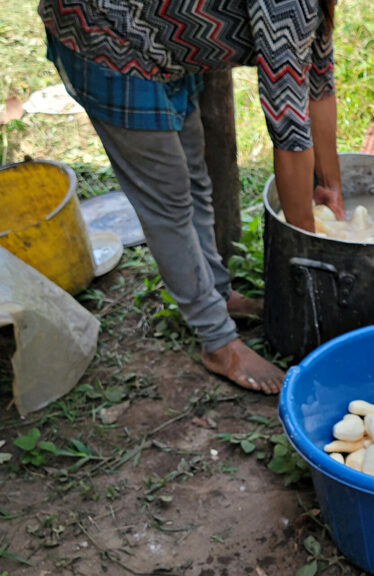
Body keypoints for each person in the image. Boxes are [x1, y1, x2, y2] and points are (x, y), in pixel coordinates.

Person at [37, 0, 345, 394]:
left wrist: (330, 186)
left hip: (164, 41)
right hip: (108, 36)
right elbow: (288, 128)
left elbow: (318, 80)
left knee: (195, 178)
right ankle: (218, 342)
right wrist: (309, 247)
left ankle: (215, 294)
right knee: (167, 201)